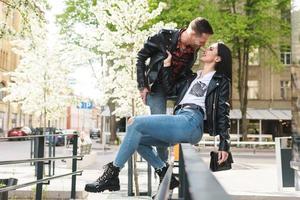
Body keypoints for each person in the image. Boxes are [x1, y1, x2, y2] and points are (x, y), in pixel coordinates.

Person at [84, 42, 232, 193]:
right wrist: (167, 65)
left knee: (135, 123)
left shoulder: (220, 80)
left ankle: (112, 174)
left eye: (211, 49)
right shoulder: (192, 77)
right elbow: (170, 89)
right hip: (180, 118)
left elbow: (223, 111)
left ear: (218, 59)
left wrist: (224, 144)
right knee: (137, 139)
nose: (206, 49)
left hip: (192, 121)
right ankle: (163, 171)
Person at [137, 17, 214, 167]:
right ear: (192, 34)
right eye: (202, 41)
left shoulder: (194, 48)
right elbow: (140, 57)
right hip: (157, 87)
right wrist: (142, 85)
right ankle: (163, 167)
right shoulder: (163, 37)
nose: (204, 45)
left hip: (176, 87)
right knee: (158, 128)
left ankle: (185, 155)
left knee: (187, 116)